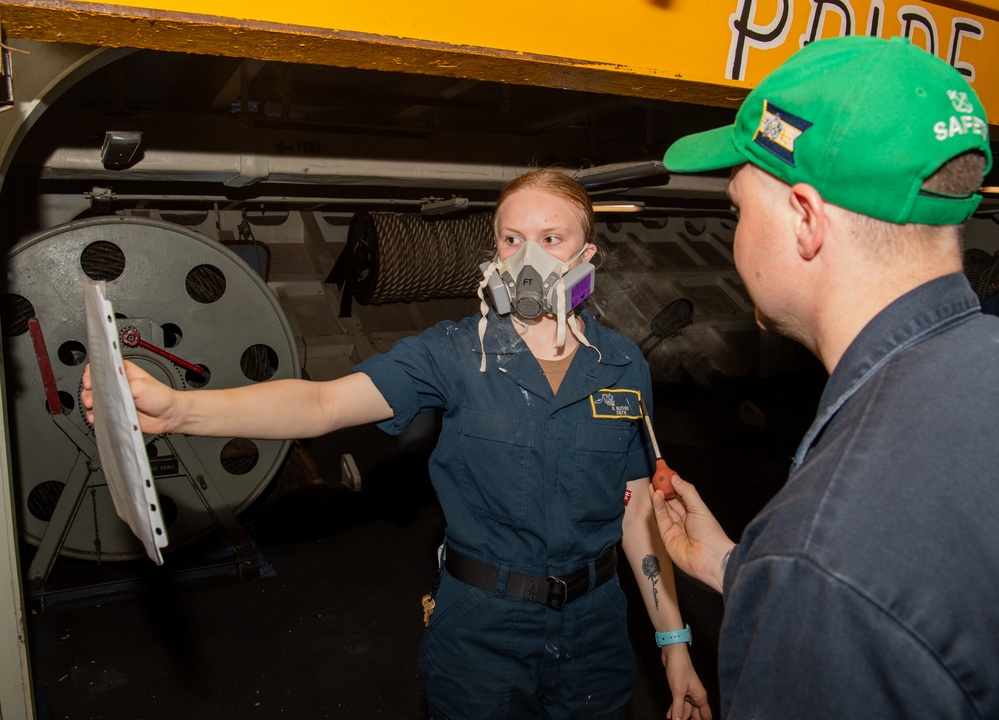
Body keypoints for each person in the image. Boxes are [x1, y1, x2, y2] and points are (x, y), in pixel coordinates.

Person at [83, 168, 711, 719]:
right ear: (493, 250)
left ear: (586, 256)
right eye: (512, 239)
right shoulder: (452, 353)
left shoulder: (622, 365)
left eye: (552, 239)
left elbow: (636, 509)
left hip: (595, 631)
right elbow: (323, 402)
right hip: (482, 631)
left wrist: (673, 646)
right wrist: (181, 409)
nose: (529, 259)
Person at [648, 35, 997, 719]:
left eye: (737, 209)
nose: (734, 234)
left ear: (804, 219)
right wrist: (740, 569)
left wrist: (792, 577)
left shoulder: (819, 553)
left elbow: (852, 580)